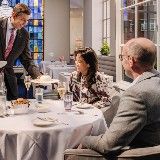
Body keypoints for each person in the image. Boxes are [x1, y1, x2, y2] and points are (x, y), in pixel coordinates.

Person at [77, 38, 160, 154]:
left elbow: (108, 145)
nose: (121, 61)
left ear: (131, 60)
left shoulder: (136, 94)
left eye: (122, 57)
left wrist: (83, 140)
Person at [0, 3, 41, 100]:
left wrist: (38, 75)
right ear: (13, 15)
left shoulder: (24, 34)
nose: (24, 23)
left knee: (13, 109)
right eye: (22, 20)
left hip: (9, 79)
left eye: (26, 21)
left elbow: (27, 59)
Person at [69, 47, 115, 112]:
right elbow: (70, 95)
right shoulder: (73, 76)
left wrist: (90, 107)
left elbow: (107, 100)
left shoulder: (98, 78)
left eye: (80, 61)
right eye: (76, 60)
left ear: (88, 64)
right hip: (75, 112)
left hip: (90, 113)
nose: (76, 63)